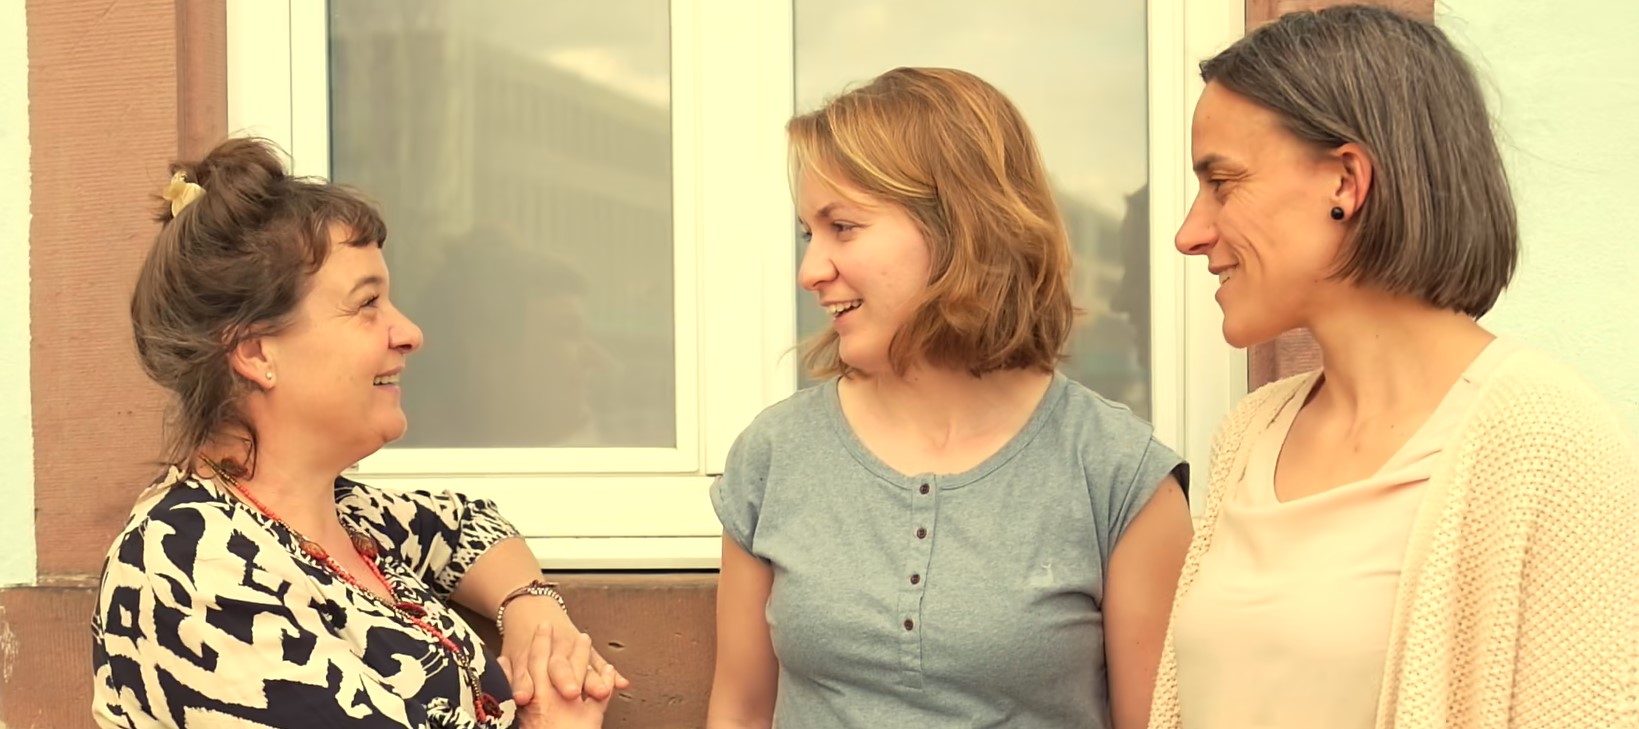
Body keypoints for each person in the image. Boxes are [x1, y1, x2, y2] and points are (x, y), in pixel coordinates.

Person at [1148, 6, 1639, 729]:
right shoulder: (1249, 435)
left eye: (1222, 182)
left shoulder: (1550, 445)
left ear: (1345, 182)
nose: (1190, 233)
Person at [706, 67, 1194, 729]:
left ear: (962, 226)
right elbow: (740, 710)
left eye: (843, 227)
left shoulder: (1117, 473)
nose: (810, 270)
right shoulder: (774, 454)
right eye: (807, 234)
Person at [92, 137, 628, 728]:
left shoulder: (346, 517)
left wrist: (531, 610)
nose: (409, 333)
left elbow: (468, 526)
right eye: (368, 304)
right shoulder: (190, 566)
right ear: (255, 351)